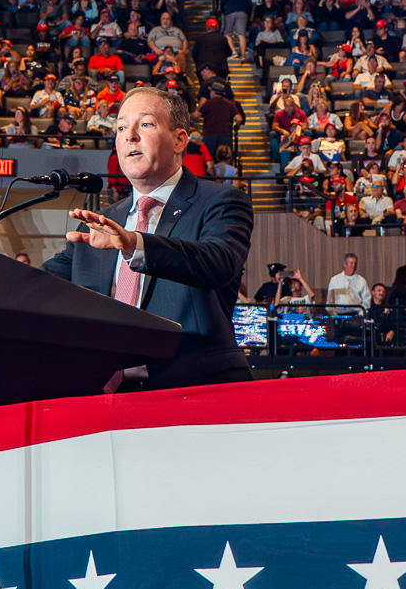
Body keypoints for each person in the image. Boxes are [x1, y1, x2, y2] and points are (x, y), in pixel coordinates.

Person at [43, 86, 252, 390]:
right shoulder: (102, 222)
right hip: (105, 398)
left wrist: (135, 245)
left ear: (180, 140)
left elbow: (218, 262)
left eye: (145, 124)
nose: (129, 136)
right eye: (121, 127)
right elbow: (38, 283)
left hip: (195, 393)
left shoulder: (221, 201)